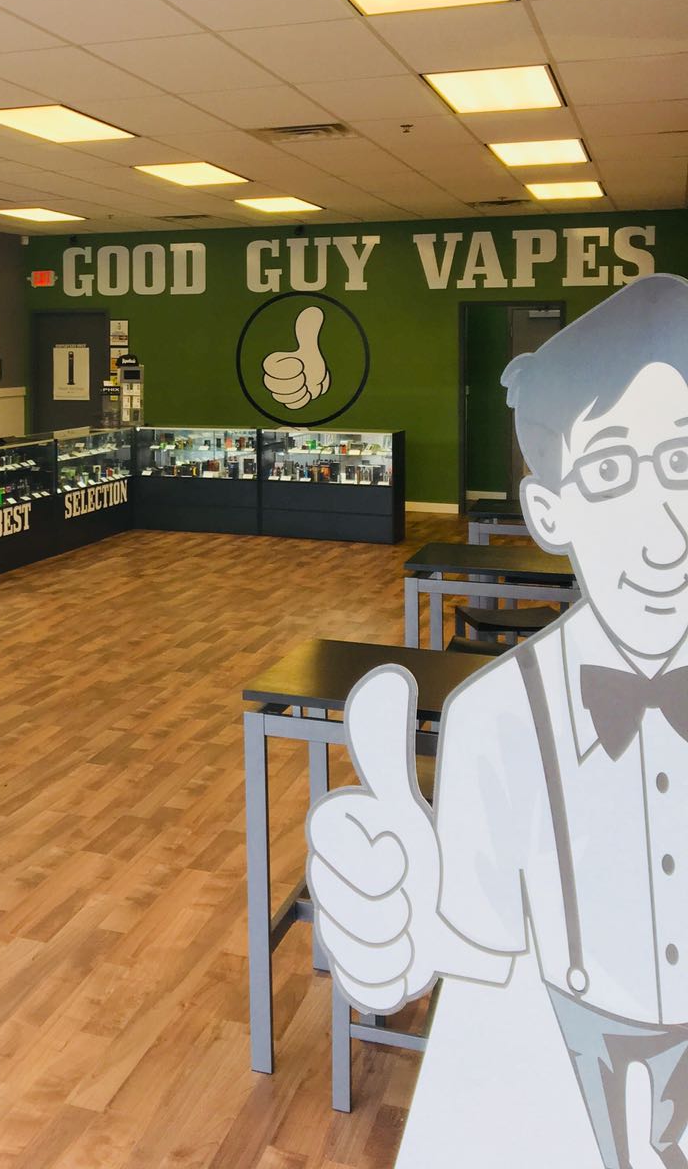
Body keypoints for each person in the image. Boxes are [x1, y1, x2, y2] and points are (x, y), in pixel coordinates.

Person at [308, 272, 688, 1169]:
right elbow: (477, 970)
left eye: (681, 462)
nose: (662, 532)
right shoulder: (497, 719)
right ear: (548, 509)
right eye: (610, 472)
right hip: (566, 1078)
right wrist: (402, 936)